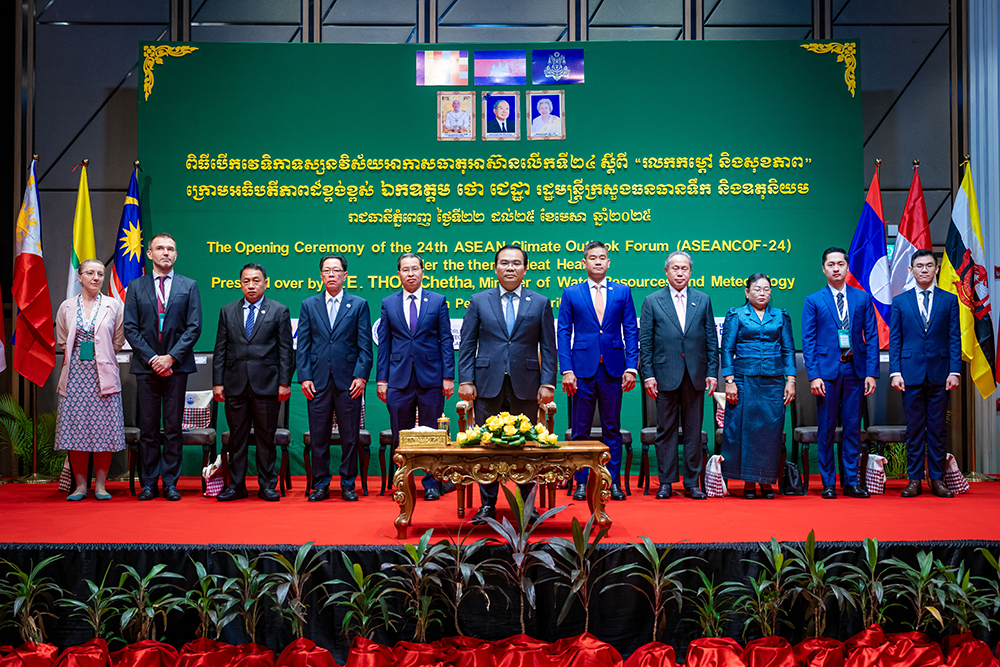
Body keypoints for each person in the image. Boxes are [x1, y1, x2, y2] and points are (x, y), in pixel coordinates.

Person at [458, 244, 557, 524]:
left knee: (527, 444)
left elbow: (549, 347)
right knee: (486, 444)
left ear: (525, 269)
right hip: (486, 383)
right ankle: (487, 505)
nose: (510, 267)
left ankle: (527, 506)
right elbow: (467, 343)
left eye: (516, 263)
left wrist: (547, 383)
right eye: (504, 263)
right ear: (495, 268)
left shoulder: (540, 302)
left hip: (526, 383)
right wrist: (465, 379)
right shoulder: (479, 300)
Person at [124, 232, 202, 501]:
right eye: (160, 248)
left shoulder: (189, 285)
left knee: (172, 428)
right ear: (150, 254)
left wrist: (170, 358)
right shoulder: (136, 286)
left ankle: (170, 482)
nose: (166, 253)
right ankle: (148, 483)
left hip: (176, 367)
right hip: (146, 367)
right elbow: (130, 328)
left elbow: (194, 327)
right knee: (147, 428)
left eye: (170, 249)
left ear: (176, 255)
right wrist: (153, 359)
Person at [557, 241, 638, 502]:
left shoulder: (622, 291)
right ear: (584, 263)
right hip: (581, 371)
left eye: (602, 257)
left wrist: (631, 367)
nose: (598, 262)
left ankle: (611, 483)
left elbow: (631, 331)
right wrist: (566, 369)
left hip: (613, 370)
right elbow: (563, 332)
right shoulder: (571, 293)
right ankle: (581, 482)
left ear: (609, 262)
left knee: (612, 429)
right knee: (580, 430)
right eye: (593, 258)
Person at [376, 252, 456, 501]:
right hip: (398, 378)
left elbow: (446, 340)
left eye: (414, 268)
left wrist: (448, 376)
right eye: (405, 269)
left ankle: (432, 483)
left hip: (431, 377)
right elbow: (384, 344)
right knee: (401, 434)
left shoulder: (438, 301)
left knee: (431, 433)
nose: (410, 273)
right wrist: (381, 380)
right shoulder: (388, 303)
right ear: (398, 274)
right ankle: (404, 482)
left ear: (422, 272)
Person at [212, 263, 294, 502]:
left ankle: (267, 485)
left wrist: (284, 382)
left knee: (266, 437)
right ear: (240, 284)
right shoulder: (227, 311)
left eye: (256, 280)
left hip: (267, 385)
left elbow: (286, 351)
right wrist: (218, 382)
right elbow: (220, 349)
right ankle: (236, 486)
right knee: (237, 437)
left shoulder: (279, 311)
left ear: (265, 283)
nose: (251, 285)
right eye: (246, 281)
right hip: (234, 384)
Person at [639, 250, 718, 500]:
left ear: (691, 272)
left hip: (695, 374)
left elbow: (711, 340)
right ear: (666, 271)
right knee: (666, 429)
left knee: (694, 430)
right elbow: (645, 343)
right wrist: (648, 375)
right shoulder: (652, 301)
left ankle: (692, 483)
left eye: (684, 268)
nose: (680, 273)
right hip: (664, 374)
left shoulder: (703, 300)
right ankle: (666, 482)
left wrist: (712, 372)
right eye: (675, 268)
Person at [801, 246, 878, 499]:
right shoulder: (813, 300)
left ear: (847, 267)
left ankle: (851, 481)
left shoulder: (862, 298)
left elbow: (872, 336)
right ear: (823, 269)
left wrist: (871, 373)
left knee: (853, 427)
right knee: (826, 428)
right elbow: (808, 341)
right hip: (826, 373)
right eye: (831, 265)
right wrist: (814, 376)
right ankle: (828, 483)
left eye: (840, 264)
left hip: (855, 370)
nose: (836, 269)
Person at [297, 254, 373, 502]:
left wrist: (361, 377)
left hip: (348, 381)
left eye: (336, 270)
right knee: (319, 436)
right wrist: (304, 377)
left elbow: (365, 347)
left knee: (350, 436)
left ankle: (348, 484)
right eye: (327, 270)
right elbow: (303, 345)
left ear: (344, 275)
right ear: (321, 275)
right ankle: (321, 484)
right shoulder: (309, 305)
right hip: (317, 382)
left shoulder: (358, 304)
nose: (331, 274)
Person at [889, 249, 961, 498]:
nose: (924, 270)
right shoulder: (900, 301)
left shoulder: (949, 300)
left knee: (938, 428)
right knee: (915, 428)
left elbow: (954, 337)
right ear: (911, 270)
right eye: (919, 266)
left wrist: (955, 371)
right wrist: (895, 372)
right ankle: (915, 479)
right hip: (910, 374)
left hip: (941, 374)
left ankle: (937, 479)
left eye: (929, 265)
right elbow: (895, 339)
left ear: (936, 269)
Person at [54, 259, 126, 500]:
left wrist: (101, 355)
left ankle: (101, 486)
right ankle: (81, 486)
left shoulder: (113, 305)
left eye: (100, 274)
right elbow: (62, 340)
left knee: (104, 431)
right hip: (75, 376)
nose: (96, 278)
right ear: (80, 277)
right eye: (90, 273)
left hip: (103, 376)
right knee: (76, 432)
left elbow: (117, 340)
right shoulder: (66, 306)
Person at [720, 273, 796, 499]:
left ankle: (766, 481)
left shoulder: (781, 315)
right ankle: (749, 482)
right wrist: (730, 381)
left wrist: (791, 380)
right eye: (757, 289)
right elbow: (727, 350)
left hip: (773, 382)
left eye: (766, 289)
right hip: (743, 380)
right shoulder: (736, 315)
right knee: (746, 430)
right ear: (747, 292)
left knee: (770, 431)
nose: (762, 293)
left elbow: (788, 350)